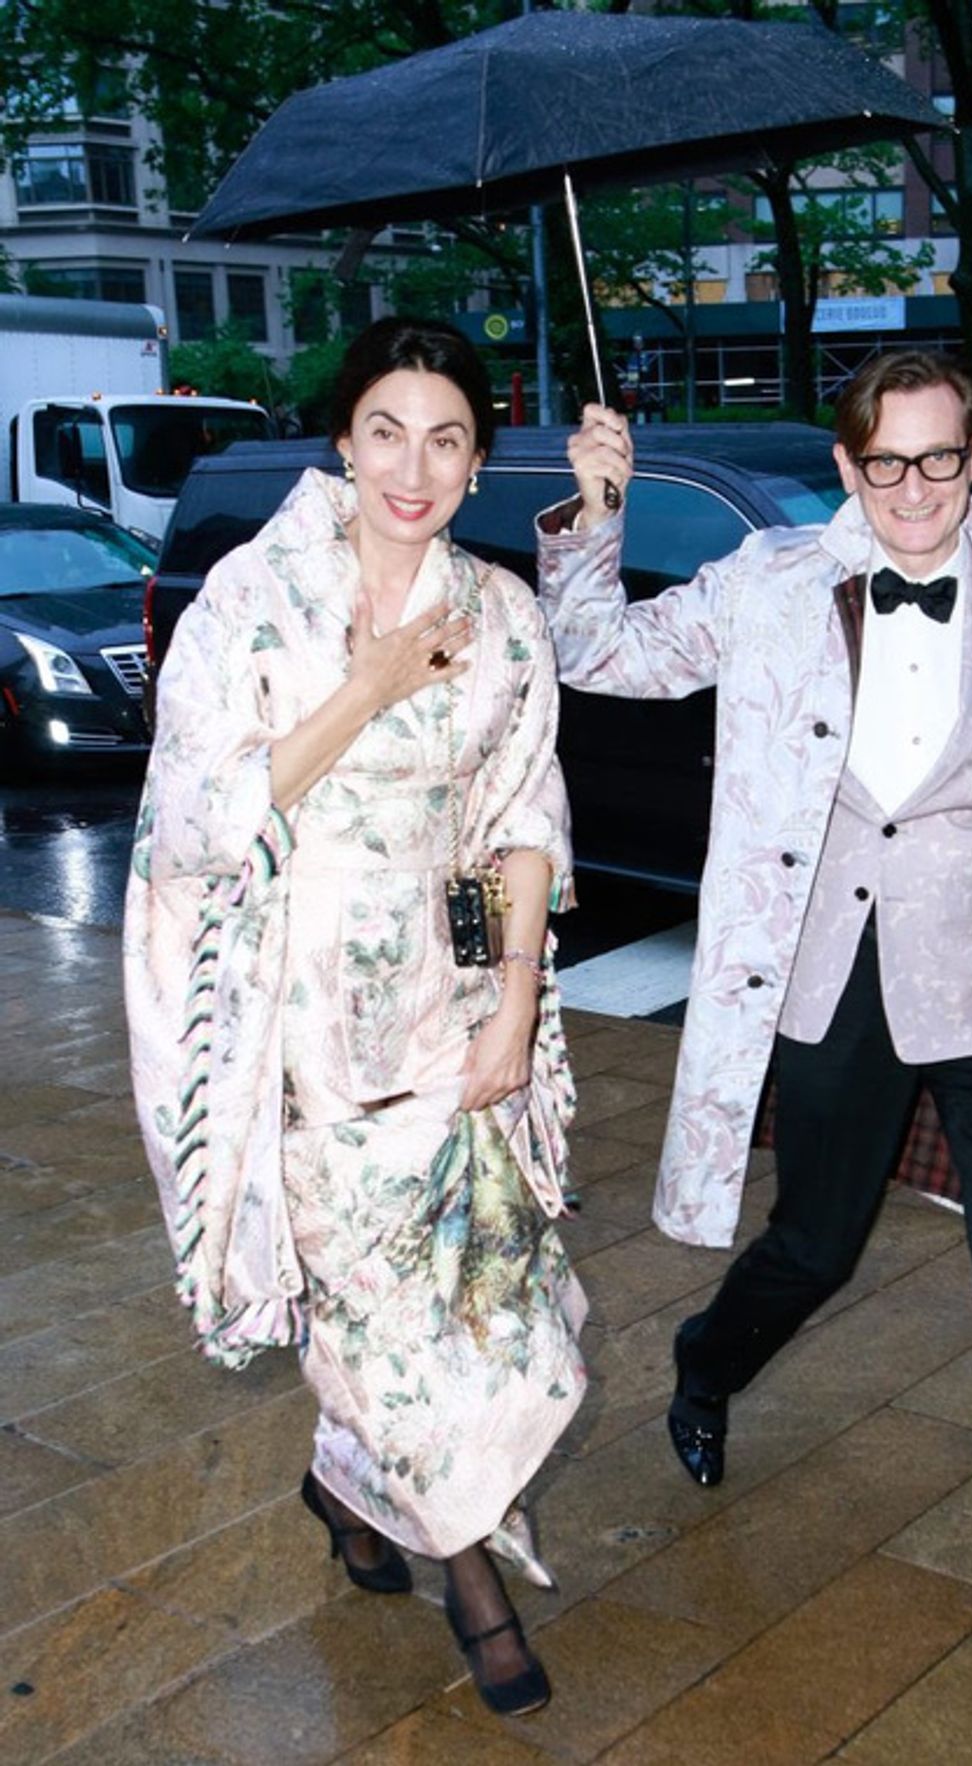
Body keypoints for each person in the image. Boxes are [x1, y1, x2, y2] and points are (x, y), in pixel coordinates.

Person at [536, 349, 972, 1654]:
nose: (911, 488)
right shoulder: (773, 586)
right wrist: (596, 513)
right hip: (826, 973)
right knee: (818, 1241)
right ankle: (710, 1358)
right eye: (884, 461)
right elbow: (600, 652)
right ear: (846, 465)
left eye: (937, 459)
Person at [125, 317, 585, 1718]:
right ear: (343, 438)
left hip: (446, 1014)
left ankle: (348, 1486)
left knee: (495, 1312)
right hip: (300, 1030)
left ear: (475, 460)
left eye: (447, 437)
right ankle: (478, 1587)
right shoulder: (250, 603)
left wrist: (512, 1001)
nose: (415, 464)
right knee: (384, 1316)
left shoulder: (501, 614)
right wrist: (372, 683)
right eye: (387, 428)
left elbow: (524, 819)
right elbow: (202, 815)